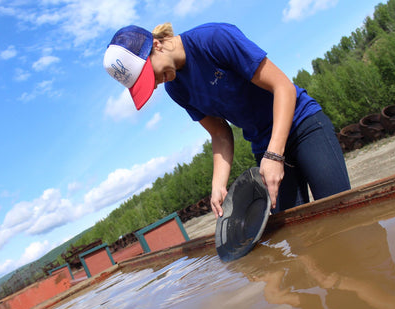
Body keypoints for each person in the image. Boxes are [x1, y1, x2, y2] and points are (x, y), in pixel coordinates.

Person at [103, 22, 350, 218]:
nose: (155, 85)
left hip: (302, 125)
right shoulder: (176, 89)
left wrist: (275, 155)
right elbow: (220, 134)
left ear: (156, 45)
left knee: (343, 214)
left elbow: (282, 87)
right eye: (147, 85)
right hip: (264, 147)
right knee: (302, 237)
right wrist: (218, 185)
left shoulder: (213, 39)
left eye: (151, 76)